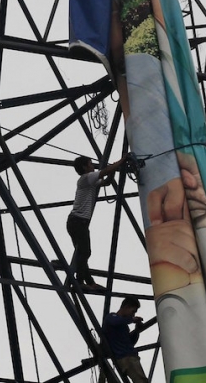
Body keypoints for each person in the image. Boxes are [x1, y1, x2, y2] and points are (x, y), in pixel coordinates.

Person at [68, 155, 126, 291]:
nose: (93, 165)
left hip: (78, 222)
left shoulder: (89, 181)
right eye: (90, 164)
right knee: (85, 252)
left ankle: (89, 282)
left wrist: (113, 170)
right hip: (78, 221)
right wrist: (121, 161)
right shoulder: (86, 178)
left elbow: (106, 181)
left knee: (82, 252)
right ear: (84, 167)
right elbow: (104, 172)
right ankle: (80, 280)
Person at [101, 296, 148, 383]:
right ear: (126, 307)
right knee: (141, 381)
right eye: (132, 311)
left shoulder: (123, 325)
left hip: (127, 356)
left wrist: (137, 330)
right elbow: (115, 321)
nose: (133, 314)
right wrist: (132, 320)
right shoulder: (112, 317)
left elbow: (130, 342)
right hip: (125, 357)